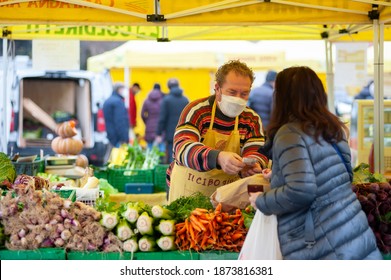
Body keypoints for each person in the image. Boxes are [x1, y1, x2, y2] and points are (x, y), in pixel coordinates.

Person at [248, 66, 382, 260]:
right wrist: (279, 174)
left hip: (318, 241)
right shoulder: (332, 127)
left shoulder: (289, 134)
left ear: (283, 97)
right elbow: (341, 176)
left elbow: (301, 191)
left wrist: (261, 200)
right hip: (351, 229)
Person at [167, 60, 269, 202]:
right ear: (217, 88)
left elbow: (257, 151)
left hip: (226, 200)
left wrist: (252, 165)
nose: (238, 99)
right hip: (188, 195)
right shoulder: (197, 111)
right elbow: (182, 148)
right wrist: (218, 157)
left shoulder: (251, 119)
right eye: (232, 92)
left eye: (244, 94)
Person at [155, 78, 189, 163]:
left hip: (171, 134)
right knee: (182, 155)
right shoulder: (185, 100)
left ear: (168, 87)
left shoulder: (166, 100)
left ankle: (172, 175)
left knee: (171, 156)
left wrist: (158, 133)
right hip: (184, 132)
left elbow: (162, 118)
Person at [102, 82, 130, 160]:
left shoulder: (108, 101)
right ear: (119, 89)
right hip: (117, 136)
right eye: (123, 89)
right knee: (116, 159)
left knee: (109, 156)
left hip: (110, 133)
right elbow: (120, 121)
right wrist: (124, 138)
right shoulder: (118, 102)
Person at [141, 83, 165, 152]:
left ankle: (150, 162)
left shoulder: (146, 101)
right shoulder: (163, 100)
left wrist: (147, 121)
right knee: (161, 147)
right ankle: (161, 162)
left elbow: (142, 114)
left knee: (149, 147)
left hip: (149, 126)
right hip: (160, 126)